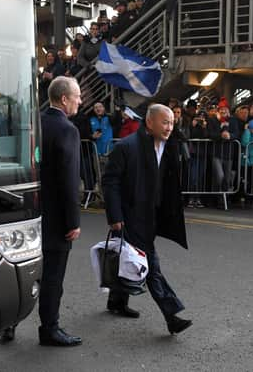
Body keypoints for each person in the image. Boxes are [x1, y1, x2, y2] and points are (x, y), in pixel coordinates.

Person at [102, 104, 192, 335]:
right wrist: (115, 216)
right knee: (151, 265)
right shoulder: (127, 146)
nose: (169, 127)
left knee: (127, 256)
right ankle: (171, 315)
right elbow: (110, 182)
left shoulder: (169, 145)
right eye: (165, 122)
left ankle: (117, 301)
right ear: (149, 122)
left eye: (172, 123)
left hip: (152, 215)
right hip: (131, 215)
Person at [39, 76, 83, 347]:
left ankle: (10, 325)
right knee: (53, 277)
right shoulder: (67, 129)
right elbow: (69, 179)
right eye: (77, 96)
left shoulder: (36, 122)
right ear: (64, 99)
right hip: (56, 217)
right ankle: (49, 329)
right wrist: (73, 221)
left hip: (31, 211)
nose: (80, 100)